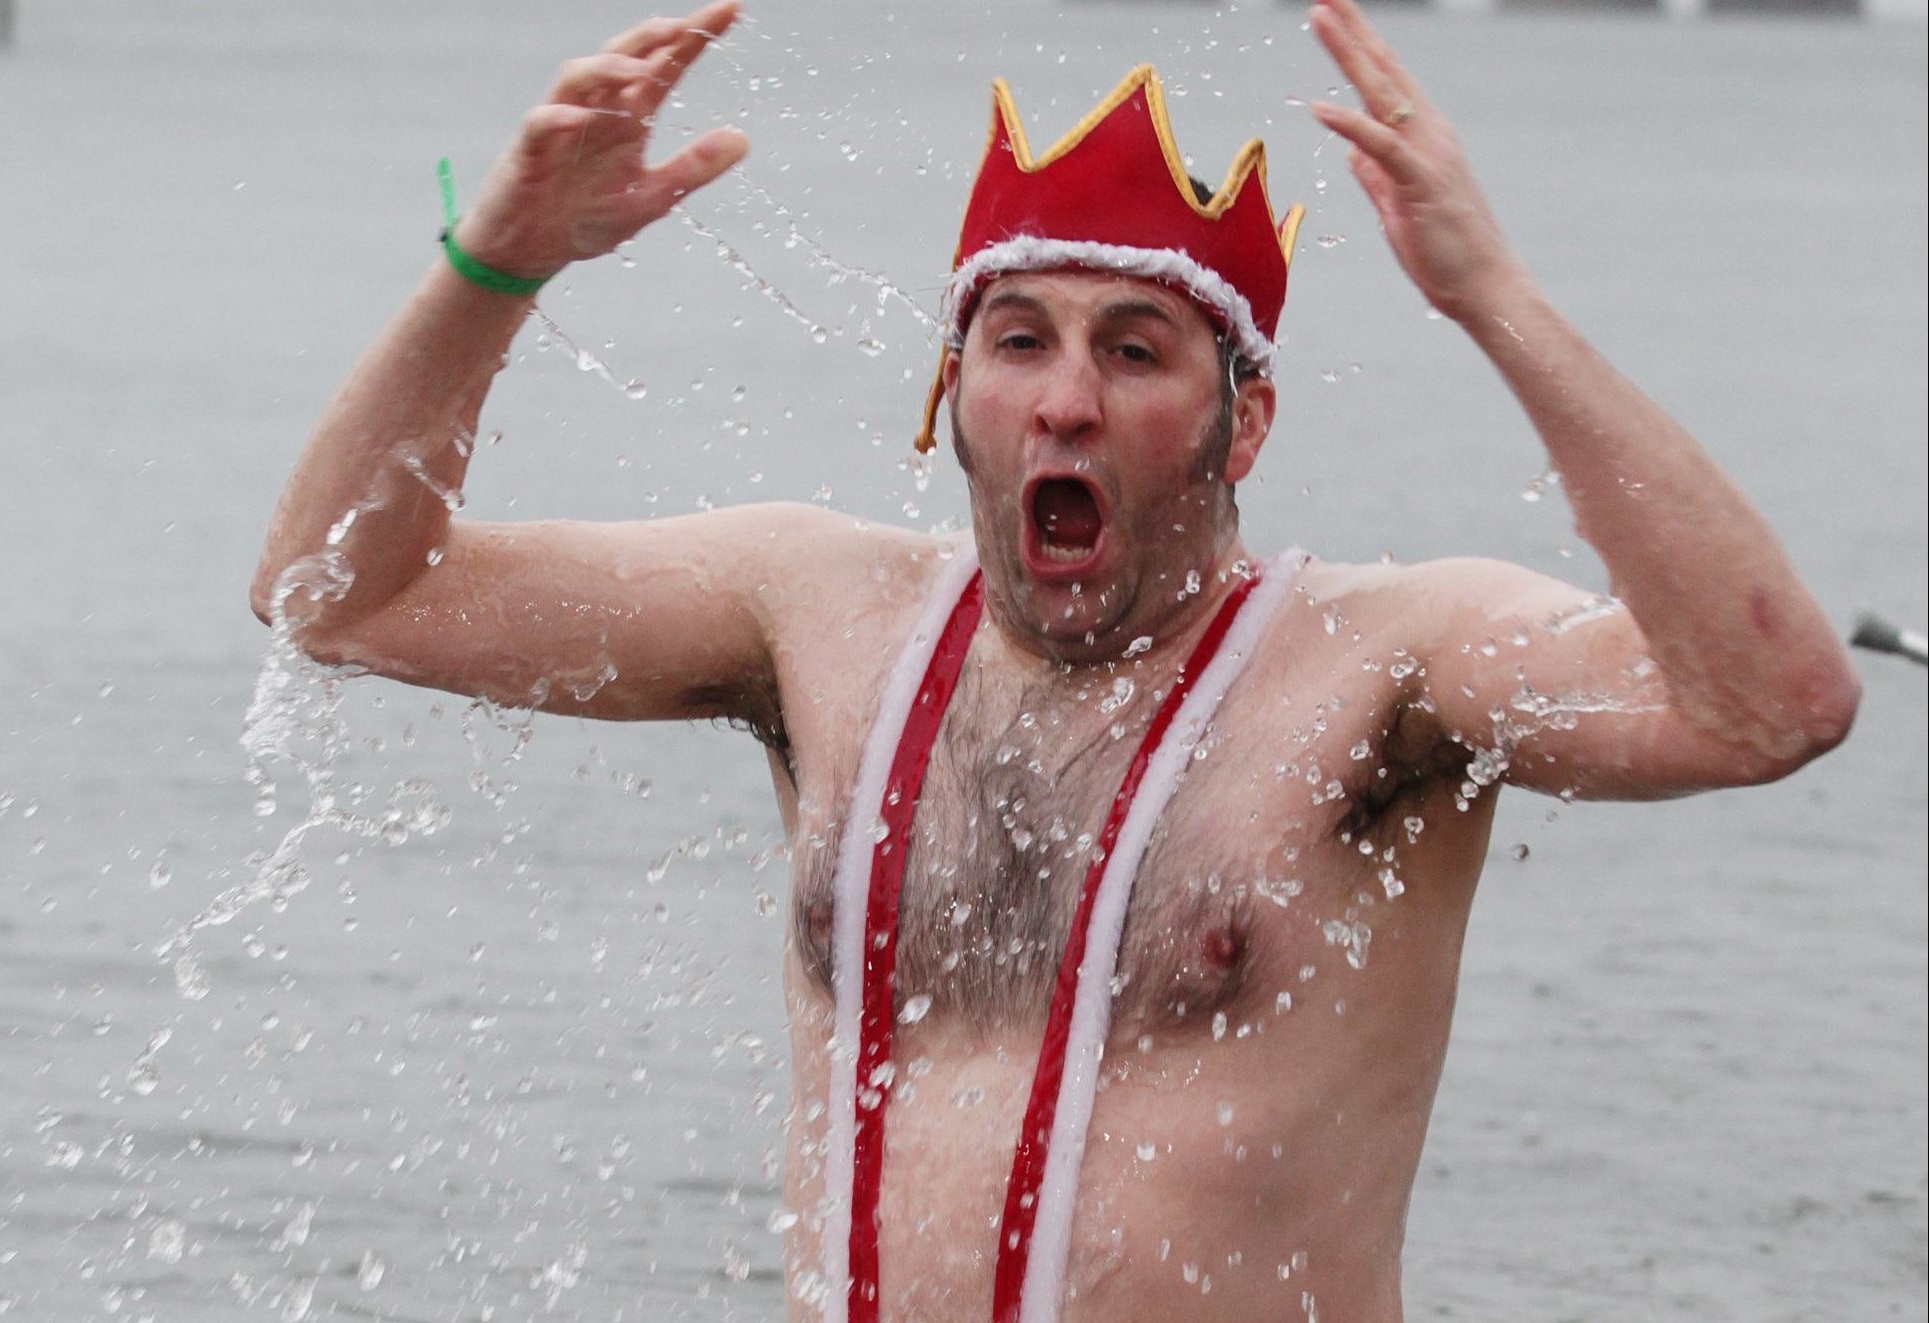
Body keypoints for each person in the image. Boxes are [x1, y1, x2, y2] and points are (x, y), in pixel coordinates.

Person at [249, 0, 1860, 1318]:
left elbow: (1767, 703)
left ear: (1251, 423)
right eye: (1020, 343)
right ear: (956, 394)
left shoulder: (1382, 668)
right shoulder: (816, 618)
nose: (1066, 402)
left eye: (1137, 351)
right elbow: (340, 596)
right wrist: (494, 267)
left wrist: (1497, 305)